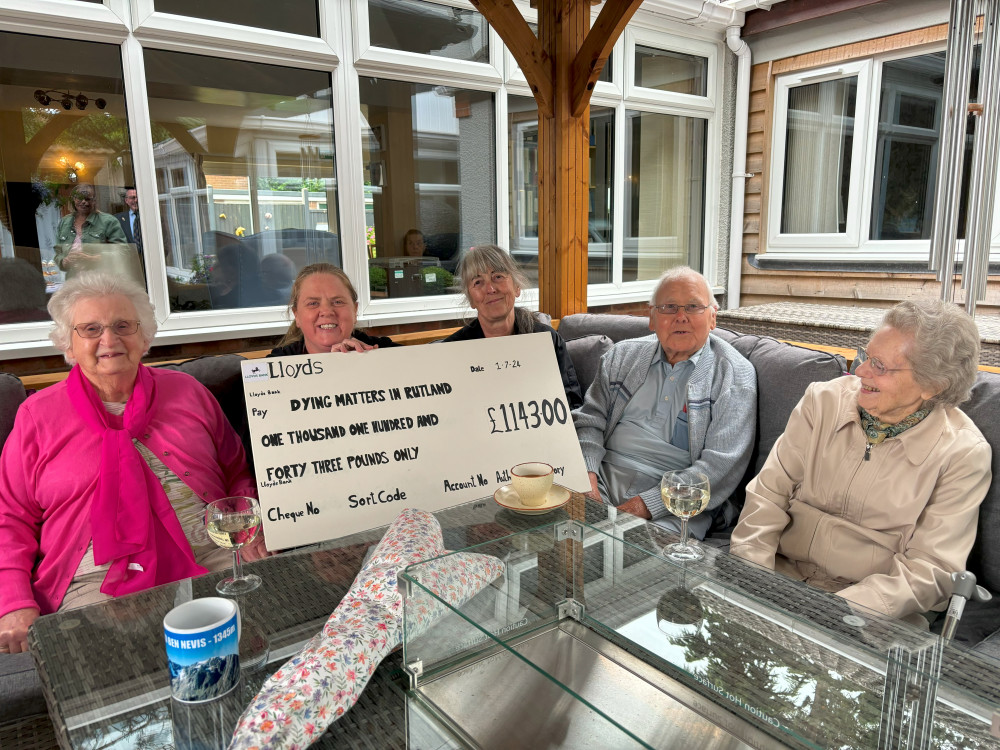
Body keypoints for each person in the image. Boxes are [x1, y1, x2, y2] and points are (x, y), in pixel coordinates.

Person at [0, 273, 263, 655]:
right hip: (92, 580)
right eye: (90, 328)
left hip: (212, 555)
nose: (109, 339)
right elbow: (10, 517)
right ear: (68, 344)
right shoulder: (38, 416)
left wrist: (251, 529)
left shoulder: (188, 392)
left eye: (123, 325)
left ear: (144, 337)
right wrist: (13, 601)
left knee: (262, 641)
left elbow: (236, 471)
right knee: (115, 670)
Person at [730, 298, 991, 624]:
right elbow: (769, 493)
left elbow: (931, 570)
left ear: (931, 385)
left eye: (879, 365)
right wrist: (750, 573)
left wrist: (840, 610)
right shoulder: (822, 401)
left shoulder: (962, 454)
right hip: (779, 576)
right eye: (866, 355)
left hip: (869, 615)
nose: (860, 370)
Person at [574, 266, 757, 538]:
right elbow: (590, 421)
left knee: (637, 559)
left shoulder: (734, 374)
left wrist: (643, 506)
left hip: (675, 502)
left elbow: (720, 467)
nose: (680, 317)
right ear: (652, 318)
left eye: (693, 307)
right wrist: (587, 480)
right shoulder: (622, 356)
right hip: (601, 475)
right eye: (669, 307)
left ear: (712, 318)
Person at [443, 244, 583, 409]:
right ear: (471, 299)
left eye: (498, 277)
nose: (490, 289)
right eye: (478, 282)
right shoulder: (452, 352)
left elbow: (572, 406)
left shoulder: (547, 341)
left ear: (517, 287)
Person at [270, 263, 399, 356]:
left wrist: (364, 361)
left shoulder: (387, 354)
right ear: (296, 315)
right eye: (313, 303)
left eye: (338, 302)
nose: (326, 311)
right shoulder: (276, 368)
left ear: (355, 311)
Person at [54, 184, 140, 285]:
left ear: (94, 201)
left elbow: (123, 252)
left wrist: (93, 258)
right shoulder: (65, 222)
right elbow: (58, 252)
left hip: (101, 282)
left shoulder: (108, 221)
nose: (83, 202)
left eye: (88, 199)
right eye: (79, 199)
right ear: (73, 200)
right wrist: (64, 261)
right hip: (73, 283)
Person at [114, 187, 142, 260]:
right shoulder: (117, 219)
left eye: (137, 197)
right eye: (132, 198)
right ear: (126, 200)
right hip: (127, 261)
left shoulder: (151, 216)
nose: (135, 200)